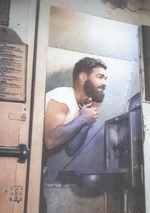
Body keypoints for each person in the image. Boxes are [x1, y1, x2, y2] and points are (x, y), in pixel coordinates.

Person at [43, 57, 107, 151]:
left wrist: (85, 121)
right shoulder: (62, 97)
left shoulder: (82, 106)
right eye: (100, 77)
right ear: (83, 78)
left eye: (105, 79)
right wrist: (83, 118)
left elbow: (72, 148)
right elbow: (50, 141)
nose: (105, 83)